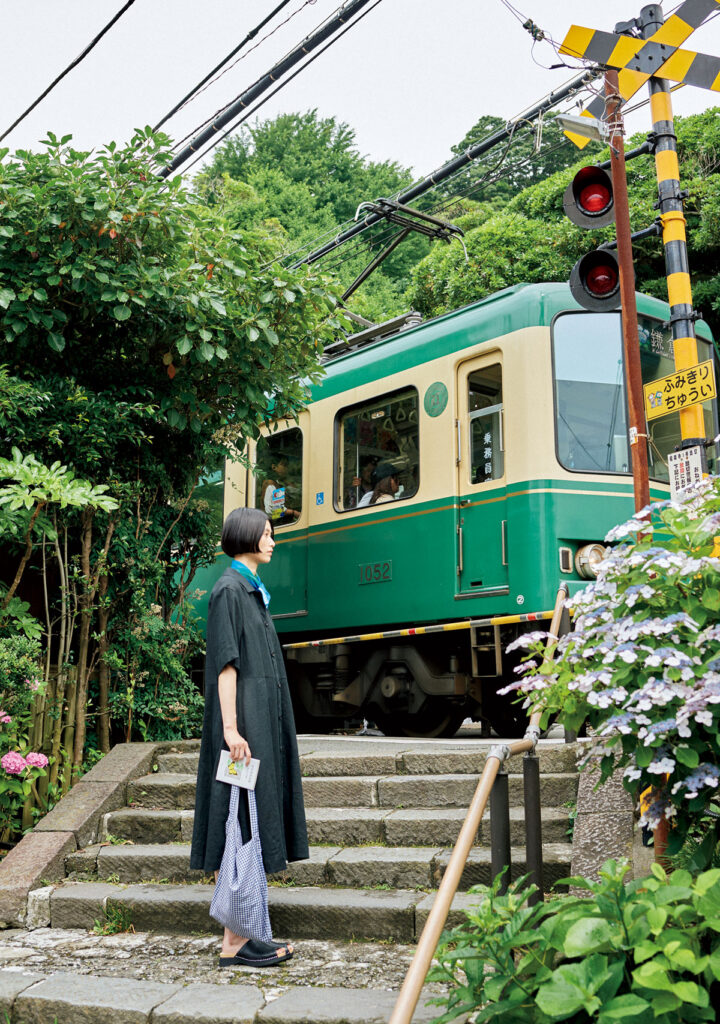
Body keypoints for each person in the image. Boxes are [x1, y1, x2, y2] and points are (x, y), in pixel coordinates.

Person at [190, 507, 309, 967]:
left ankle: (240, 936)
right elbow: (225, 664)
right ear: (245, 536)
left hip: (259, 720)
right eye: (266, 534)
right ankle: (235, 942)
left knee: (248, 819)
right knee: (237, 820)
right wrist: (232, 729)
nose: (273, 540)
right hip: (242, 726)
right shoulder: (228, 591)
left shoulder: (250, 589)